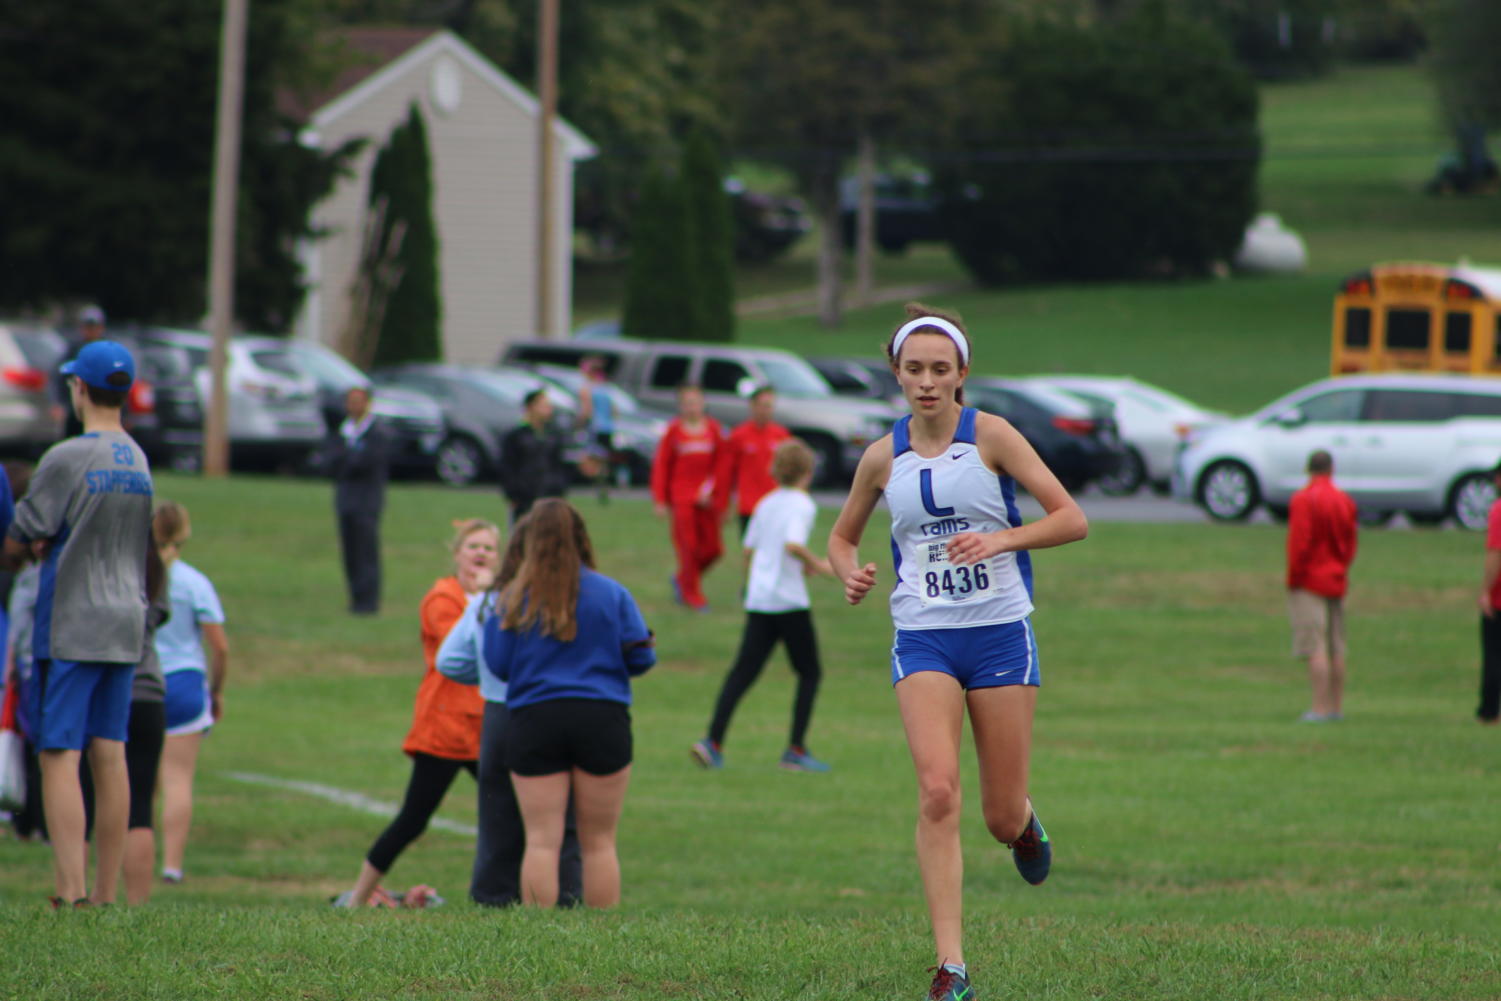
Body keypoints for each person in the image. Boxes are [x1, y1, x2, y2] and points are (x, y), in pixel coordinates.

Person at [827, 304, 1088, 1001]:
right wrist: (845, 570)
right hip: (923, 634)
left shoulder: (994, 437)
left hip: (1000, 631)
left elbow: (1071, 517)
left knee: (997, 815)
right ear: (896, 374)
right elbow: (842, 535)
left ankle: (1024, 824)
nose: (926, 381)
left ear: (962, 374)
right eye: (913, 369)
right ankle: (952, 966)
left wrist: (1000, 539)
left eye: (940, 369)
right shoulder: (883, 455)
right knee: (937, 789)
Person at [2, 339, 155, 908]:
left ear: (80, 389)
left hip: (72, 617)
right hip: (125, 618)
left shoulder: (67, 456)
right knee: (109, 752)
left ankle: (69, 890)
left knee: (58, 752)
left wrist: (27, 541)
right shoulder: (137, 458)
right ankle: (107, 894)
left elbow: (21, 536)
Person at [481, 499, 655, 908]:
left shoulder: (511, 599)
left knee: (541, 840)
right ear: (580, 537)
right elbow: (642, 656)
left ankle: (540, 937)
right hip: (602, 717)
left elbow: (498, 665)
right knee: (599, 842)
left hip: (534, 718)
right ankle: (602, 941)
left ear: (527, 540)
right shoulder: (613, 594)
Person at [334, 518, 500, 907]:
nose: (480, 554)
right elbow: (464, 647)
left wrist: (491, 598)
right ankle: (358, 897)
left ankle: (506, 899)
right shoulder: (442, 598)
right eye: (472, 546)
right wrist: (482, 600)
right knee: (413, 818)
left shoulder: (499, 597)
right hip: (444, 727)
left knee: (509, 814)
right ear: (456, 553)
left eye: (489, 548)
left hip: (485, 728)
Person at [437, 516, 583, 907]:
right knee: (561, 817)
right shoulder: (565, 598)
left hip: (501, 712)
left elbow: (449, 660)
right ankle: (567, 900)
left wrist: (486, 677)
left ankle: (492, 900)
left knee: (497, 813)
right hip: (556, 710)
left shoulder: (490, 601)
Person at [692, 438, 834, 772]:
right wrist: (820, 564)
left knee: (743, 672)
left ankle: (712, 742)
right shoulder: (802, 503)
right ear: (807, 471)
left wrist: (753, 582)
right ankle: (795, 750)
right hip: (788, 601)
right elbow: (793, 544)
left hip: (760, 598)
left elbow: (748, 551)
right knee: (810, 672)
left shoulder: (766, 502)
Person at [150, 501, 228, 886]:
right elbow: (220, 646)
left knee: (134, 776)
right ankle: (172, 866)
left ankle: (129, 856)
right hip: (183, 684)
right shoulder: (194, 582)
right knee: (178, 778)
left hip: (141, 683)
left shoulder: (136, 577)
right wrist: (216, 692)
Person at [1286, 449, 1358, 723]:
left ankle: (1319, 707)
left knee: (1315, 646)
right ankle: (1336, 706)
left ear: (1309, 470)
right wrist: (1341, 567)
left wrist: (1294, 577)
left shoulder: (1304, 499)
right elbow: (1350, 542)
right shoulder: (1344, 500)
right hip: (1336, 577)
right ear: (1331, 470)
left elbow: (1300, 543)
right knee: (1336, 646)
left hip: (1310, 579)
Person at [651, 384, 725, 612]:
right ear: (680, 406)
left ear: (703, 403)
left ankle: (682, 580)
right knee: (688, 548)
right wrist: (660, 500)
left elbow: (721, 465)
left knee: (714, 549)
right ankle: (693, 596)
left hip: (706, 500)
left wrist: (718, 496)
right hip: (681, 498)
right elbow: (662, 466)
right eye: (687, 403)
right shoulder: (673, 431)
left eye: (696, 402)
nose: (692, 407)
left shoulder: (713, 429)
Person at [326, 386, 390, 616]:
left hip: (367, 501)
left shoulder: (377, 433)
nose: (354, 405)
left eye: (358, 401)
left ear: (368, 403)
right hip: (345, 500)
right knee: (349, 551)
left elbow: (365, 463)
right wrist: (349, 458)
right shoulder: (343, 431)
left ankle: (369, 600)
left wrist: (349, 459)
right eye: (350, 401)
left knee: (366, 551)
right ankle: (354, 597)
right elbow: (331, 462)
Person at [714, 384, 791, 538]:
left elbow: (790, 471)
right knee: (751, 551)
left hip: (775, 505)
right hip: (749, 507)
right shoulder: (739, 435)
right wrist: (724, 504)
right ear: (753, 406)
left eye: (769, 406)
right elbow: (726, 473)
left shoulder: (781, 435)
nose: (765, 410)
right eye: (762, 406)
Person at [498, 388, 579, 522]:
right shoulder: (516, 436)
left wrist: (559, 488)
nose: (549, 409)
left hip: (550, 499)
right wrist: (513, 494)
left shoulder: (554, 435)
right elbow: (507, 467)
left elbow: (560, 465)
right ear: (531, 407)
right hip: (524, 500)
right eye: (544, 406)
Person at [53, 305, 108, 440]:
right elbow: (58, 376)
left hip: (99, 409)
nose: (90, 331)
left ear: (101, 328)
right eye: (87, 327)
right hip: (76, 410)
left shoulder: (107, 351)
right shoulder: (74, 350)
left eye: (94, 327)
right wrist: (58, 403)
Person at [1476, 459, 1501, 725]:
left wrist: (1485, 590)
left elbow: (1496, 553)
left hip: (1500, 596)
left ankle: (1490, 710)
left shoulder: (1498, 511)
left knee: (1494, 654)